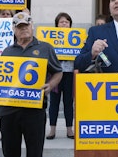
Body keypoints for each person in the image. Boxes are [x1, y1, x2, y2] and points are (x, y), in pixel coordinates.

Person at [0, 12, 62, 157]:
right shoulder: (6, 52)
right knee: (9, 152)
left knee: (35, 152)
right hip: (9, 110)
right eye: (19, 27)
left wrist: (50, 86)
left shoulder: (46, 48)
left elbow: (58, 72)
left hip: (34, 110)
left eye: (26, 25)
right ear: (14, 30)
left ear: (32, 25)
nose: (23, 29)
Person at [46, 12, 75, 140]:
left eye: (67, 22)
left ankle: (70, 129)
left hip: (69, 74)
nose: (64, 24)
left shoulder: (76, 39)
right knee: (54, 103)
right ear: (57, 25)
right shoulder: (50, 40)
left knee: (68, 102)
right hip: (55, 74)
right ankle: (52, 130)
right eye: (61, 22)